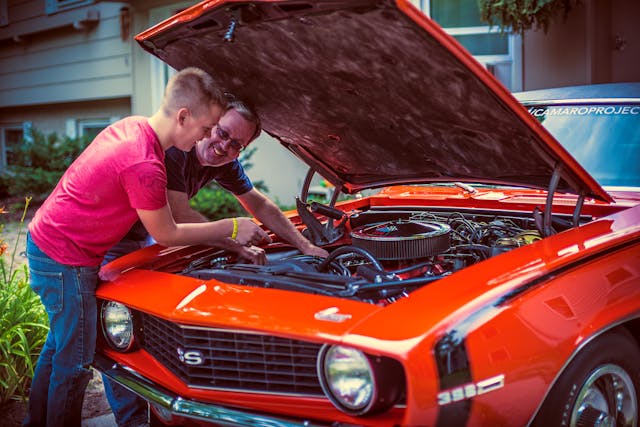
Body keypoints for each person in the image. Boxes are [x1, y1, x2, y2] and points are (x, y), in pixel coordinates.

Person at [23, 67, 271, 427]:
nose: (204, 138)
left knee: (60, 347)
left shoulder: (135, 127)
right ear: (183, 116)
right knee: (76, 363)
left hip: (49, 242)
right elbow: (167, 233)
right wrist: (232, 228)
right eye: (205, 129)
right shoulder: (146, 163)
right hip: (65, 258)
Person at [102, 98, 329, 427]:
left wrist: (305, 246)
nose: (223, 146)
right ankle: (132, 422)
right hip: (110, 240)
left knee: (130, 335)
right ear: (209, 125)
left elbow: (259, 205)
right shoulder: (176, 150)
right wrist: (234, 241)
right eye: (222, 133)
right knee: (121, 340)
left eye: (236, 144)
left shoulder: (224, 162)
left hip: (145, 237)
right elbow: (179, 216)